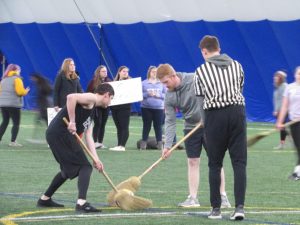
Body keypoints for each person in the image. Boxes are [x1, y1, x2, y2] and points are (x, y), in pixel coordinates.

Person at [156, 63, 231, 208]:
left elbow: (215, 91)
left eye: (166, 82)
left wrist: (208, 113)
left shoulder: (194, 79)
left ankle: (223, 197)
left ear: (174, 75)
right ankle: (193, 198)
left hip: (210, 126)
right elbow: (170, 122)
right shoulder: (169, 96)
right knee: (192, 162)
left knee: (215, 161)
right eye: (162, 83)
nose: (165, 86)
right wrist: (167, 146)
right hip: (191, 127)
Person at [37, 83, 114, 213]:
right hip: (60, 134)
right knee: (85, 167)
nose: (110, 101)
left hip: (59, 135)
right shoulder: (92, 98)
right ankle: (81, 203)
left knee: (67, 171)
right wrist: (72, 121)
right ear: (106, 95)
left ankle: (44, 199)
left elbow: (89, 136)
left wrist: (96, 159)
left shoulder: (93, 110)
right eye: (111, 98)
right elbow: (71, 97)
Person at [195, 35, 247, 220]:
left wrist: (204, 121)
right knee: (239, 163)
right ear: (219, 47)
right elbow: (239, 89)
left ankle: (216, 209)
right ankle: (239, 207)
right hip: (237, 113)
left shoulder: (201, 71)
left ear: (204, 51)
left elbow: (201, 100)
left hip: (215, 116)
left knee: (215, 164)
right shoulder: (237, 65)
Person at [276, 66, 300, 180]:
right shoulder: (289, 88)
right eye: (298, 73)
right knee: (298, 147)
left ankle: (297, 173)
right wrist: (280, 122)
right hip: (293, 122)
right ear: (295, 75)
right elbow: (285, 106)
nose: (299, 76)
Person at [0, 64, 30, 147]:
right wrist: (26, 91)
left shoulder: (3, 80)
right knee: (16, 123)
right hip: (13, 104)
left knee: (5, 122)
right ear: (16, 70)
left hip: (3, 104)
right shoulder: (17, 79)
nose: (20, 71)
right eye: (19, 70)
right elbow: (20, 92)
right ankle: (13, 142)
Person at [140, 66, 166, 150]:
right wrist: (148, 94)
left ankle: (159, 144)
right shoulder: (144, 83)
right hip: (146, 108)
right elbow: (139, 96)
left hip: (159, 108)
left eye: (156, 71)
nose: (154, 73)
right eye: (153, 72)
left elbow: (167, 95)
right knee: (146, 125)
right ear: (149, 73)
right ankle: (143, 143)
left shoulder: (162, 83)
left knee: (158, 126)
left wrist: (159, 95)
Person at [87, 65, 111, 149]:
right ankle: (94, 142)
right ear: (98, 72)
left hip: (106, 106)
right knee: (98, 123)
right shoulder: (93, 82)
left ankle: (100, 142)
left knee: (103, 124)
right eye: (103, 71)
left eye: (106, 71)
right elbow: (88, 93)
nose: (105, 73)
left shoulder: (109, 81)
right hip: (97, 107)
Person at [109, 66, 132, 151]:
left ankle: (122, 145)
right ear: (119, 72)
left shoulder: (130, 82)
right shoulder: (114, 82)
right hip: (115, 108)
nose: (125, 73)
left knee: (124, 126)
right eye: (124, 71)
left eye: (127, 71)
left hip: (125, 107)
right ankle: (119, 145)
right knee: (118, 127)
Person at [273, 70, 289, 150]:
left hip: (286, 110)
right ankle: (284, 143)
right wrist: (276, 110)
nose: (275, 78)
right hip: (280, 110)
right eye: (275, 77)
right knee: (284, 127)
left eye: (277, 77)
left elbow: (284, 100)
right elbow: (276, 100)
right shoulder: (278, 87)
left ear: (281, 78)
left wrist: (279, 110)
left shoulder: (284, 86)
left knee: (283, 126)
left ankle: (282, 144)